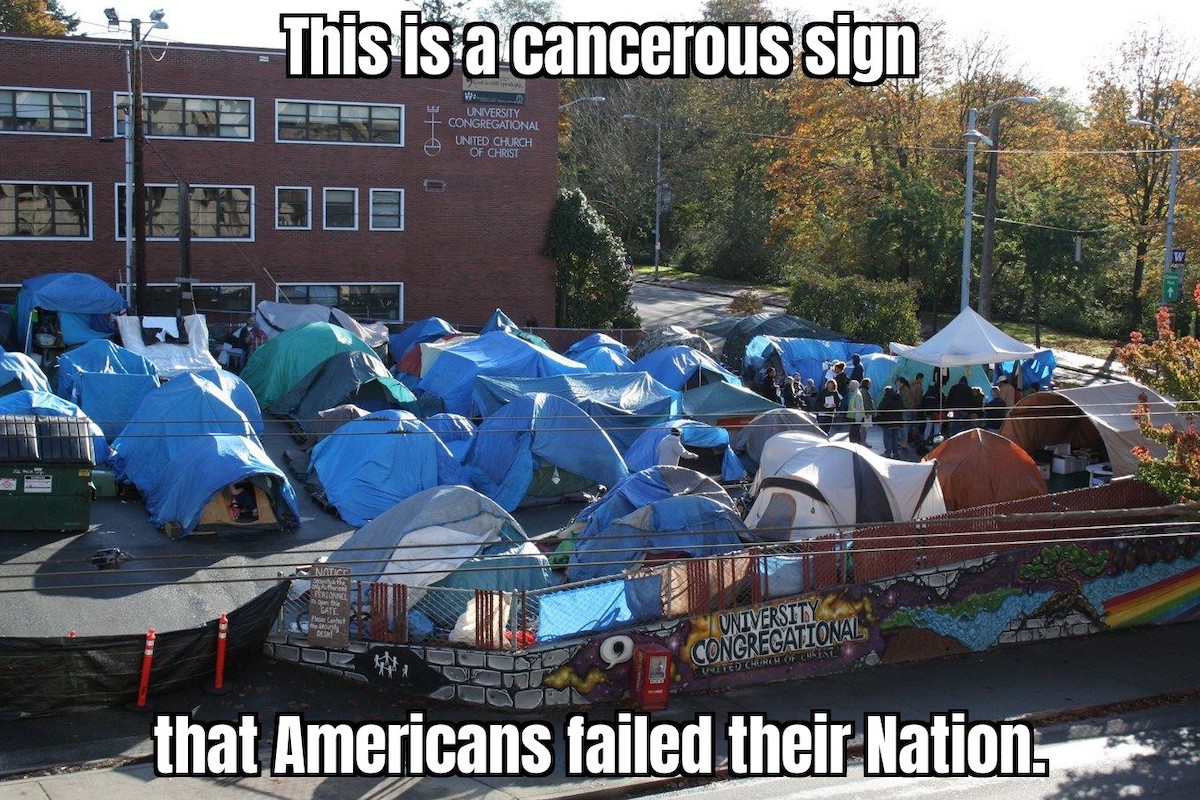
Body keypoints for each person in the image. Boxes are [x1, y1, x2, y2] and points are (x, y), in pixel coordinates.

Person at [876, 385, 905, 458]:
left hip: (888, 421)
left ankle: (887, 453)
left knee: (887, 437)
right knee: (895, 437)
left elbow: (880, 408)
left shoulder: (886, 398)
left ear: (885, 392)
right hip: (897, 421)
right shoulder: (899, 397)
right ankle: (895, 453)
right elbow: (902, 406)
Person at [845, 379, 867, 445]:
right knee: (853, 435)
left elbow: (858, 408)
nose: (849, 387)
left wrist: (858, 421)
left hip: (856, 419)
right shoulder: (855, 394)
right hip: (854, 419)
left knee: (854, 436)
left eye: (851, 386)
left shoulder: (857, 395)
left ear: (854, 386)